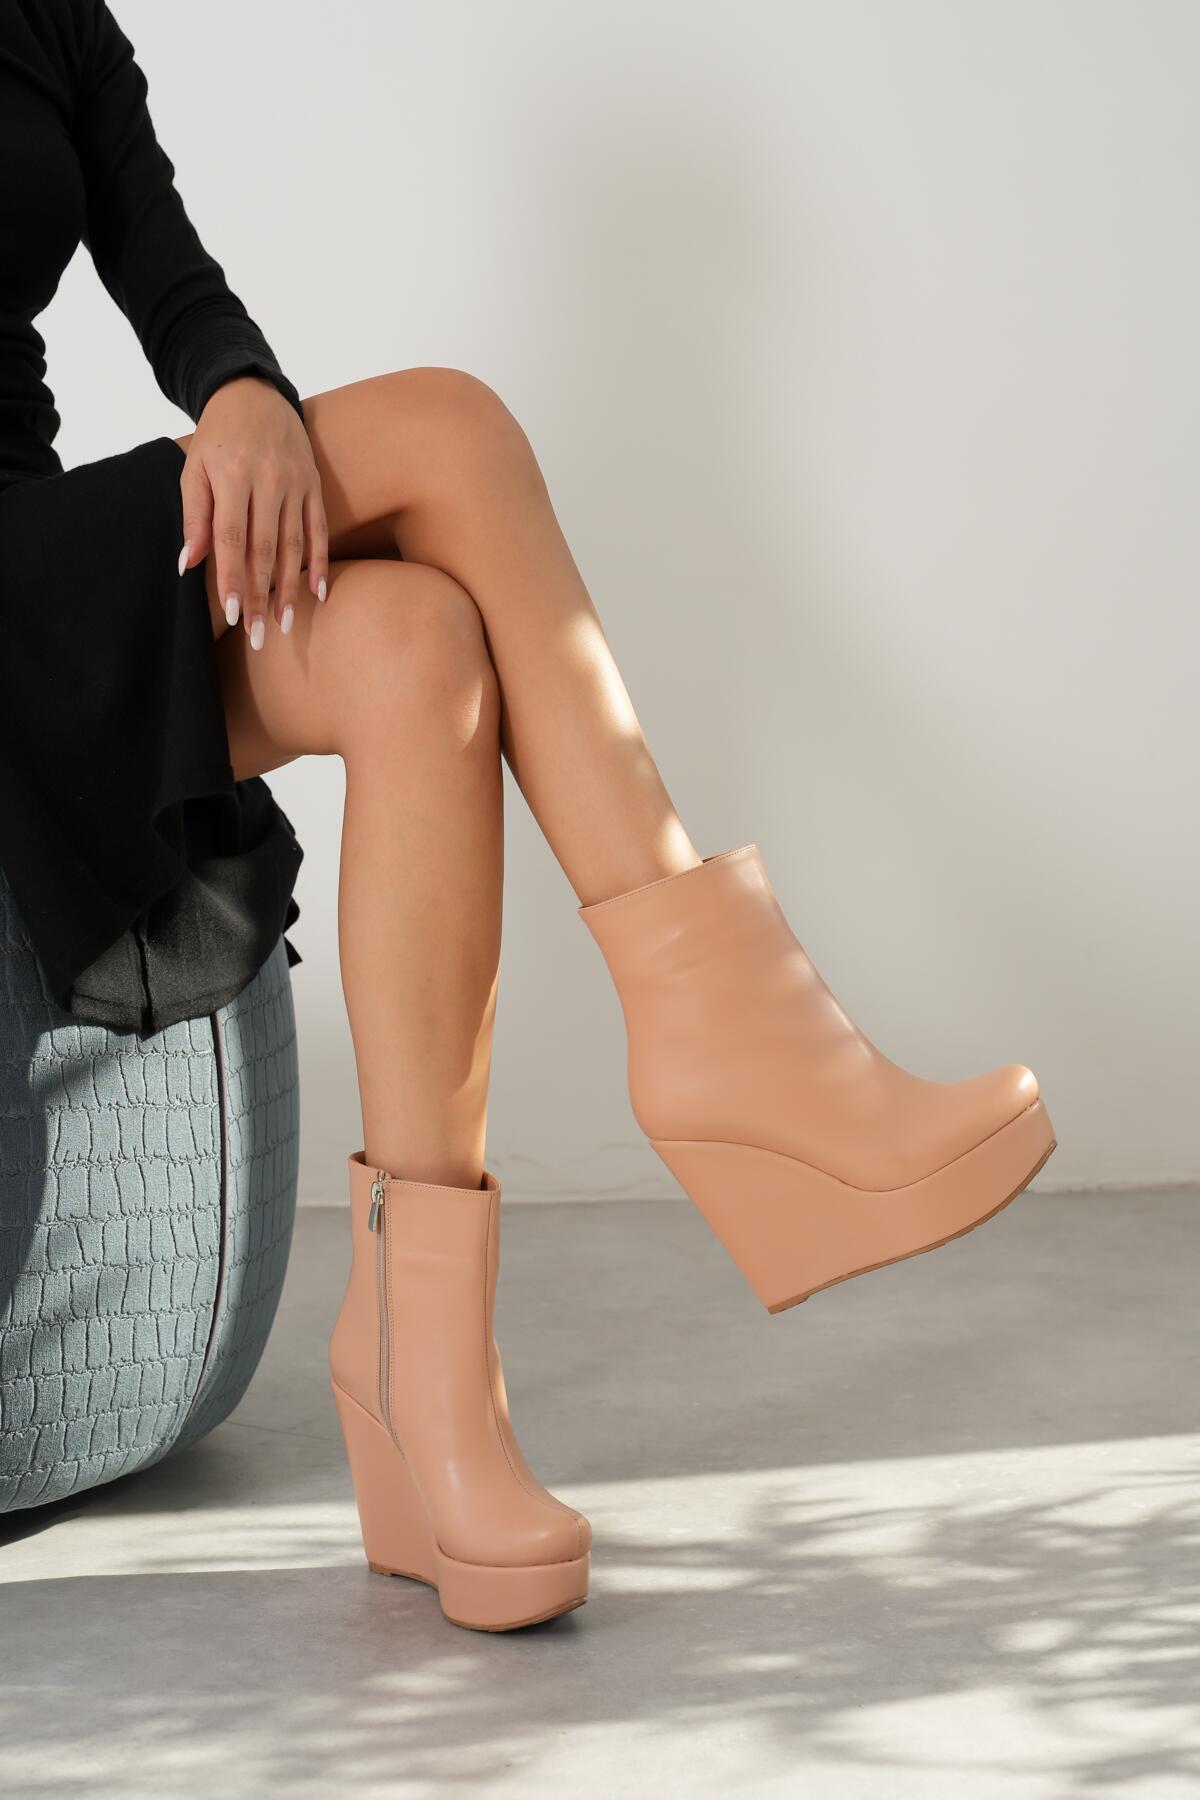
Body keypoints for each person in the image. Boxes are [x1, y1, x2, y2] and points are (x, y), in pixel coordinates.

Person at [1, 0, 1056, 1633]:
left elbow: (168, 267)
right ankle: (743, 1046)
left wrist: (244, 390)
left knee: (419, 648)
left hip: (37, 584)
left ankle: (426, 1388)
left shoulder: (50, 16)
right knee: (449, 428)